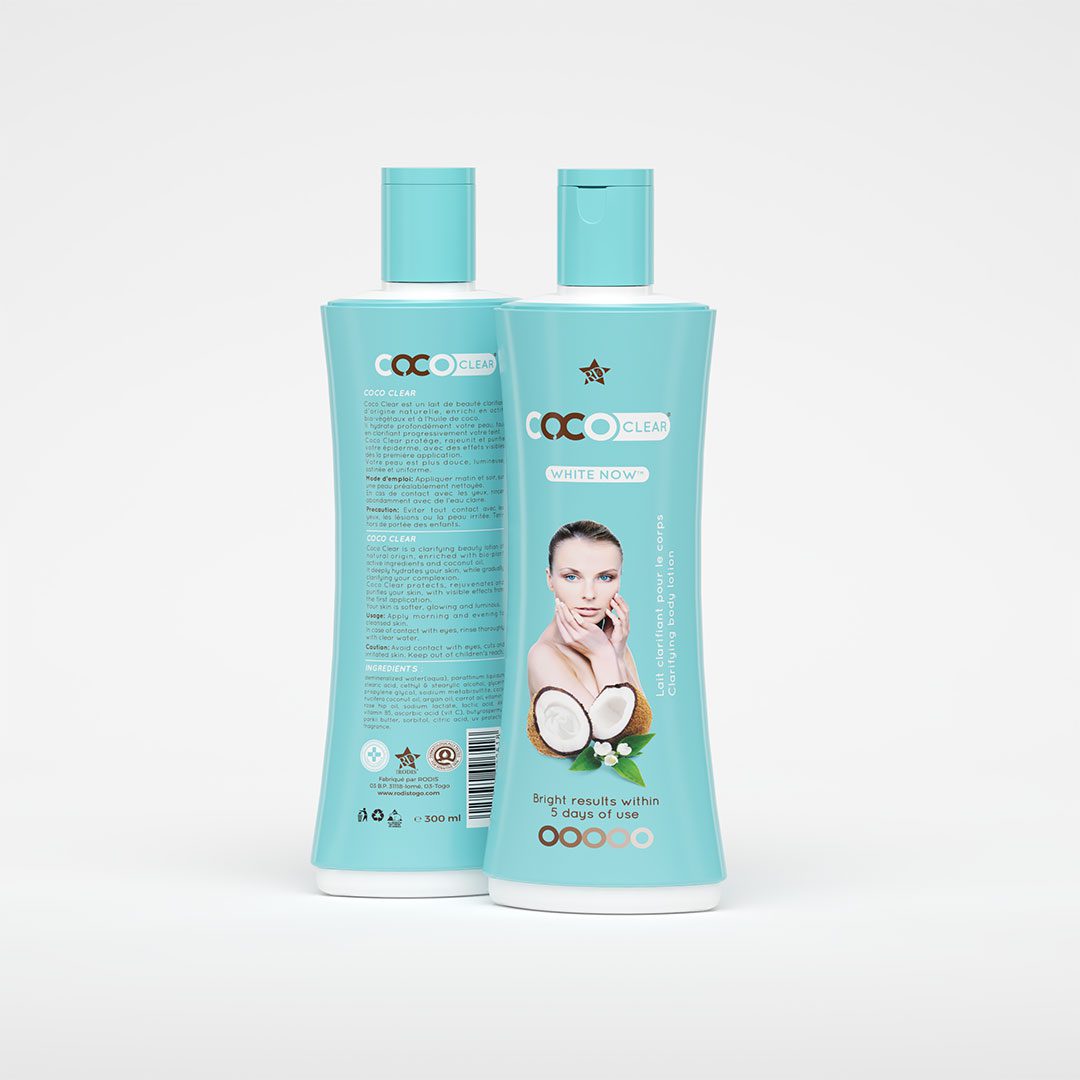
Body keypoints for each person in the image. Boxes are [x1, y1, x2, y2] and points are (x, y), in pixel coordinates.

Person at [527, 520, 642, 704]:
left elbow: (643, 720)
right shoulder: (542, 656)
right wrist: (602, 655)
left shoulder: (614, 643)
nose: (589, 594)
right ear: (550, 580)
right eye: (572, 577)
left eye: (605, 577)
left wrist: (617, 655)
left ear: (619, 580)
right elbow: (614, 723)